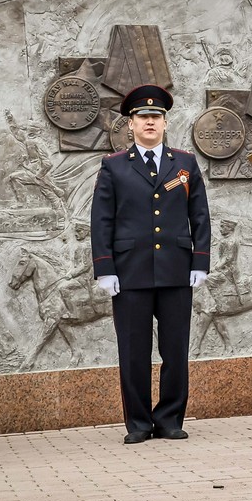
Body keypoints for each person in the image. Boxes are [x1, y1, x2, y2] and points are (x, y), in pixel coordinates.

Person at [91, 84, 211, 444]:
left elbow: (200, 214)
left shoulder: (185, 163)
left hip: (176, 268)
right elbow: (102, 220)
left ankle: (170, 418)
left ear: (165, 122)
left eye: (155, 117)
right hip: (130, 271)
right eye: (142, 117)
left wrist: (200, 261)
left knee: (175, 350)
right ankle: (140, 423)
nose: (149, 122)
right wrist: (105, 268)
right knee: (133, 351)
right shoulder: (113, 166)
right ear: (131, 124)